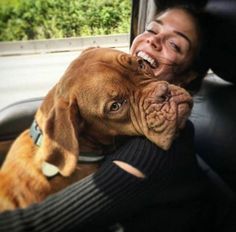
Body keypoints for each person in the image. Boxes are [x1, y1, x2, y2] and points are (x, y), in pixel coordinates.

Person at [0, 6, 215, 232]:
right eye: (152, 30)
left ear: (187, 76)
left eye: (175, 44)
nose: (154, 40)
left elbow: (34, 224)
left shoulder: (154, 150)